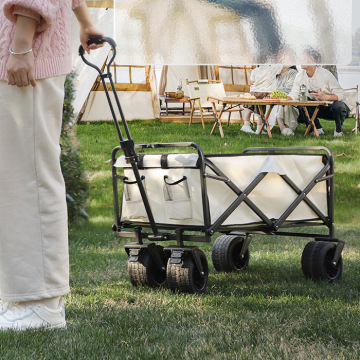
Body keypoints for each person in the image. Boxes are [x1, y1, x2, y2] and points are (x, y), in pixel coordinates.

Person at [0, 0, 103, 330]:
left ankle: (40, 303)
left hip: (27, 58)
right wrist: (85, 21)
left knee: (28, 178)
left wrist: (20, 46)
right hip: (29, 53)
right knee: (19, 177)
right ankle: (21, 295)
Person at [288, 65, 350, 136]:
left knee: (338, 105)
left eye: (304, 57)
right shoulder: (300, 75)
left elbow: (342, 94)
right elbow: (294, 94)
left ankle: (338, 131)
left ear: (313, 61)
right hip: (318, 108)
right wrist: (282, 98)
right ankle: (317, 128)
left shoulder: (325, 74)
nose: (301, 60)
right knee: (303, 102)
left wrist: (325, 97)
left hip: (333, 108)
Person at [240, 64, 283, 134]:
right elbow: (280, 66)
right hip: (263, 93)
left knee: (248, 108)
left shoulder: (255, 70)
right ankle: (259, 129)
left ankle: (246, 125)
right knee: (261, 112)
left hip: (253, 91)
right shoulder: (272, 69)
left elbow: (252, 81)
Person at [274, 66, 298, 135]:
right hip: (274, 100)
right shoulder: (275, 72)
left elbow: (289, 89)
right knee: (278, 102)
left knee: (283, 102)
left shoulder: (293, 73)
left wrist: (274, 91)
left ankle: (285, 128)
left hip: (291, 100)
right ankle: (283, 128)